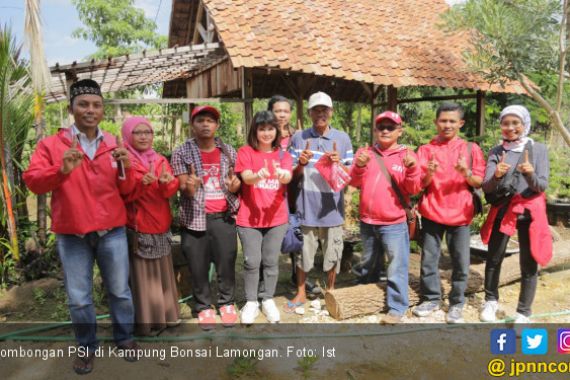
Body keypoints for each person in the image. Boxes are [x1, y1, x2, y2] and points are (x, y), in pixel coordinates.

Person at [23, 79, 140, 374]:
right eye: (83, 104)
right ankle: (86, 347)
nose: (90, 110)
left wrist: (127, 168)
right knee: (78, 298)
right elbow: (34, 182)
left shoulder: (114, 143)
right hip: (72, 234)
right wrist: (60, 170)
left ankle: (124, 338)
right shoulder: (52, 145)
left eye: (96, 104)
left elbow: (127, 191)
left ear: (102, 110)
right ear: (71, 109)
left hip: (111, 231)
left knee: (119, 291)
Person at [413, 102, 485, 323]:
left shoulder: (471, 149)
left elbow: (478, 181)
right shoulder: (426, 150)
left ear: (460, 123)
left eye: (452, 121)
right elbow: (418, 185)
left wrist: (466, 172)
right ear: (436, 122)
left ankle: (456, 303)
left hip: (461, 214)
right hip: (432, 211)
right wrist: (429, 174)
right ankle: (432, 298)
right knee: (429, 260)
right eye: (443, 120)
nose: (447, 125)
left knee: (461, 261)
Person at [171, 105, 241, 330]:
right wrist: (189, 187)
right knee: (197, 265)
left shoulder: (228, 150)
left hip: (223, 216)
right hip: (194, 218)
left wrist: (235, 186)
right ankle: (204, 306)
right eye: (200, 120)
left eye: (210, 120)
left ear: (217, 125)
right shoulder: (182, 151)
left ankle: (227, 303)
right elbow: (183, 187)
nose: (205, 124)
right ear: (192, 125)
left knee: (226, 262)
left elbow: (236, 184)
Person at [479, 105, 551, 323]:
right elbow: (487, 187)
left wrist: (529, 174)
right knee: (494, 258)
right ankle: (490, 301)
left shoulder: (538, 149)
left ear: (524, 124)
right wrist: (497, 177)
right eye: (505, 123)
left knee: (528, 263)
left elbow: (541, 185)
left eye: (515, 123)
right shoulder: (496, 151)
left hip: (528, 212)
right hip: (503, 209)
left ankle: (523, 312)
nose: (510, 128)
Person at [284, 91, 353, 312]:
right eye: (316, 109)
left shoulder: (342, 138)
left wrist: (339, 163)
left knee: (333, 252)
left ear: (331, 112)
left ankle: (330, 291)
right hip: (307, 206)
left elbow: (351, 173)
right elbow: (290, 175)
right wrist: (301, 163)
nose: (321, 113)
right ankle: (301, 292)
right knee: (305, 253)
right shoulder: (299, 138)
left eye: (325, 109)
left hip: (332, 208)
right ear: (310, 112)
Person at [350, 111, 421, 324]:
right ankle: (364, 295)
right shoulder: (365, 153)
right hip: (367, 220)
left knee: (396, 265)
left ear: (400, 131)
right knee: (368, 261)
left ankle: (397, 307)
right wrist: (360, 166)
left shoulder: (407, 155)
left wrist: (412, 169)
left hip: (394, 222)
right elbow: (354, 182)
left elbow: (414, 188)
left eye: (391, 127)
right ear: (375, 130)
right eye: (381, 127)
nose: (385, 131)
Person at [121, 116, 180, 336]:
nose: (144, 136)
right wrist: (140, 184)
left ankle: (167, 318)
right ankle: (146, 323)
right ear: (128, 134)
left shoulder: (160, 159)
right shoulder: (125, 160)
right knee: (143, 278)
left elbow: (169, 190)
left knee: (163, 275)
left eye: (148, 132)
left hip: (161, 223)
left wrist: (168, 182)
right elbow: (122, 193)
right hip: (139, 226)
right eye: (138, 132)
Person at [235, 111, 293, 324]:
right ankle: (251, 302)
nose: (266, 133)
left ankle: (267, 299)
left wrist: (281, 175)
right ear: (255, 131)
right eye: (262, 129)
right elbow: (246, 178)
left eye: (270, 128)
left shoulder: (283, 155)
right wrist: (259, 174)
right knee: (252, 261)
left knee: (270, 261)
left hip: (276, 219)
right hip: (249, 218)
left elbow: (287, 175)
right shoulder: (246, 152)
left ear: (276, 131)